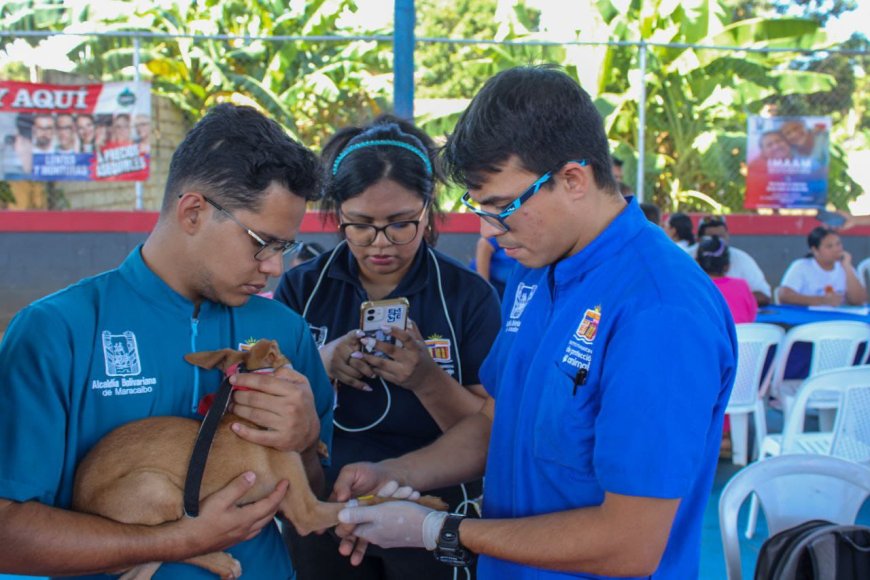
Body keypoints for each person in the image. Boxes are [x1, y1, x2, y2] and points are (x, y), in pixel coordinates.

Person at [331, 66, 737, 579]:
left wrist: (439, 530)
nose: (488, 231)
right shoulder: (538, 268)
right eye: (479, 208)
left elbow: (630, 543)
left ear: (573, 180)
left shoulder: (660, 312)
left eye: (502, 206)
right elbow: (497, 423)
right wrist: (394, 473)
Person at [0, 103, 335, 579]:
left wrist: (303, 442)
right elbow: (8, 532)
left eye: (285, 247)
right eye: (261, 242)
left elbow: (313, 499)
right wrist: (179, 542)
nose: (274, 267)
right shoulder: (57, 330)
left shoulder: (284, 332)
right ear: (193, 211)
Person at [274, 115, 501, 580]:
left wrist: (427, 380)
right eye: (360, 225)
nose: (380, 244)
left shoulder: (467, 296)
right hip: (326, 508)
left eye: (401, 225)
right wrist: (323, 364)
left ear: (428, 211)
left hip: (432, 510)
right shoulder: (302, 289)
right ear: (338, 215)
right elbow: (273, 403)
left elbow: (489, 432)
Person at [688, 216, 772, 306]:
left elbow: (764, 295)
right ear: (698, 239)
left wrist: (732, 298)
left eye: (721, 237)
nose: (716, 241)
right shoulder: (686, 257)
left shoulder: (741, 258)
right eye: (710, 237)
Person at [778, 226, 867, 307]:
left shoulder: (845, 266)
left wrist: (847, 267)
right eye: (829, 246)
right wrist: (823, 300)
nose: (836, 249)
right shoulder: (801, 266)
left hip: (838, 318)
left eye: (838, 244)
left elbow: (859, 301)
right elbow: (784, 296)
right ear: (815, 250)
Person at [696, 236, 757, 324]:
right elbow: (751, 317)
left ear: (697, 263)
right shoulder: (742, 285)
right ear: (727, 265)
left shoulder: (694, 288)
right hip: (743, 333)